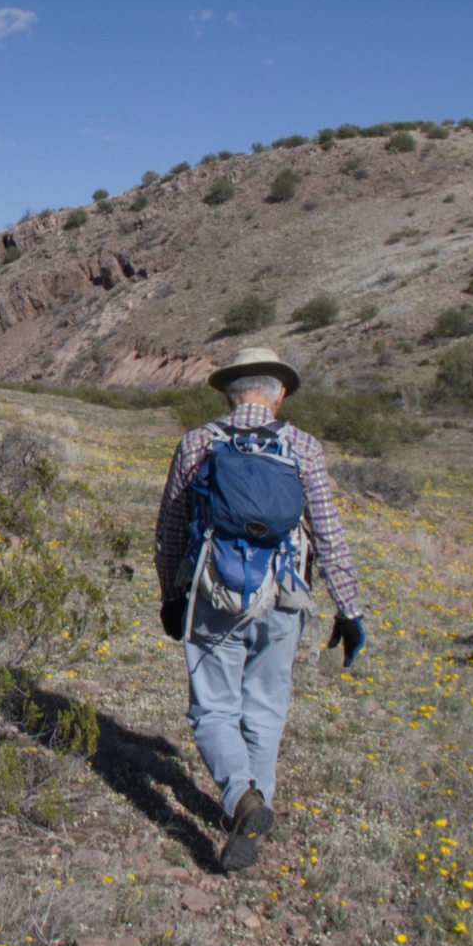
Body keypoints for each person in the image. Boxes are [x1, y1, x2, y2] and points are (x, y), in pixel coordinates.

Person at [153, 346, 365, 872]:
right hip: (285, 594)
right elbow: (330, 536)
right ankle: (256, 808)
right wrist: (349, 610)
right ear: (280, 394)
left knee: (213, 709)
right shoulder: (303, 447)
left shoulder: (198, 442)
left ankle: (242, 802)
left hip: (216, 590)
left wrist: (172, 596)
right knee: (265, 706)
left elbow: (171, 530)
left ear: (228, 393)